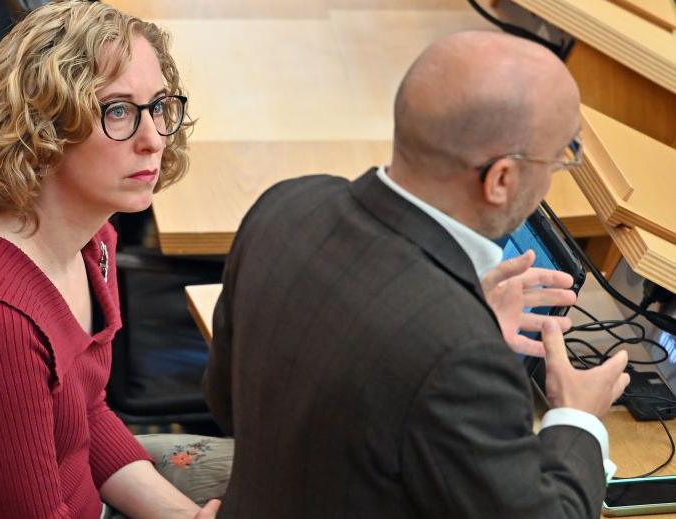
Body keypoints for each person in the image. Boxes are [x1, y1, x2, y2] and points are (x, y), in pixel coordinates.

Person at [204, 31, 630, 518]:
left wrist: (461, 307)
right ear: (502, 180)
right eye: (562, 156)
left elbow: (225, 402)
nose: (558, 171)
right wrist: (576, 419)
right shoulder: (461, 354)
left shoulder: (287, 204)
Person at [0, 2, 226, 518]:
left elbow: (82, 412)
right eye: (118, 111)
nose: (153, 140)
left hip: (82, 493)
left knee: (308, 471)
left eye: (157, 107)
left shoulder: (90, 240)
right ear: (43, 128)